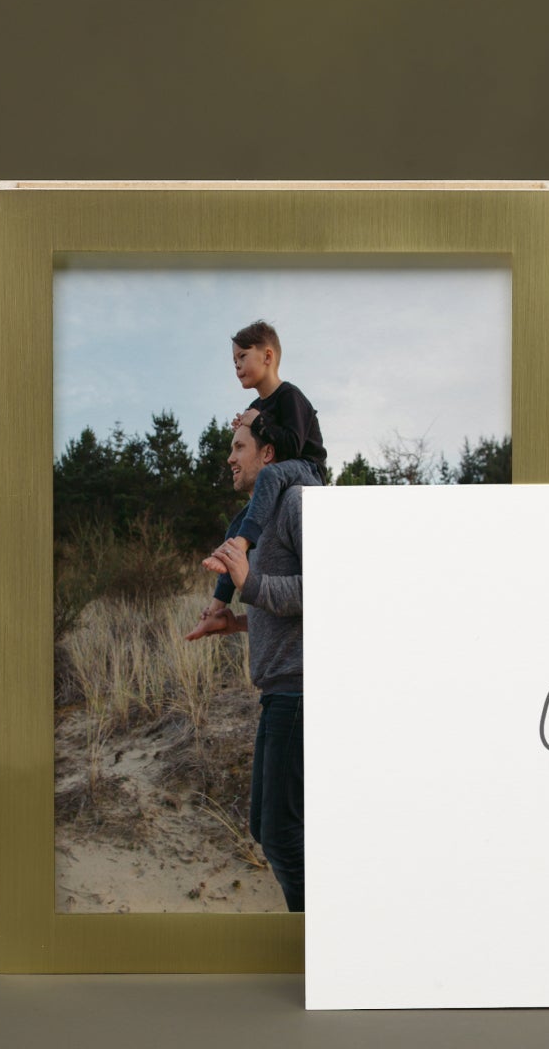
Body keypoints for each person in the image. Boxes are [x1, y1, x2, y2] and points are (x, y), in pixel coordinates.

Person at [186, 409, 316, 912]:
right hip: (278, 692)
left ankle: (317, 940)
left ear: (268, 454)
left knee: (283, 836)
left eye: (239, 447)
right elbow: (280, 609)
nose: (229, 457)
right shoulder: (259, 522)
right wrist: (233, 622)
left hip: (303, 691)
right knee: (266, 828)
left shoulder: (299, 503)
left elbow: (331, 587)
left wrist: (248, 584)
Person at [199, 320, 327, 604]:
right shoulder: (255, 407)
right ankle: (218, 605)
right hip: (282, 476)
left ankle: (242, 544)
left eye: (242, 356)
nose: (236, 366)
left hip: (307, 470)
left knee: (268, 479)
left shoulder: (289, 396)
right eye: (234, 360)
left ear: (267, 357)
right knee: (237, 522)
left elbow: (292, 446)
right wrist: (245, 425)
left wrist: (259, 422)